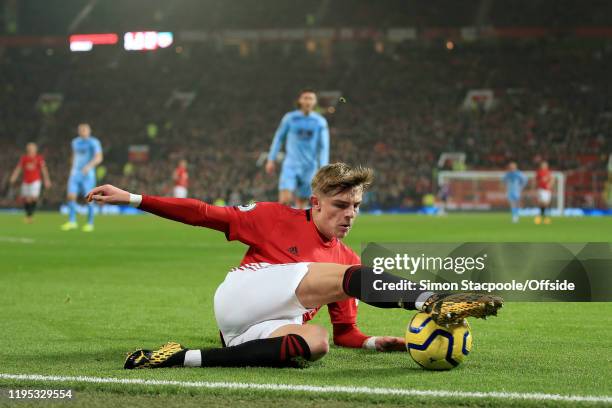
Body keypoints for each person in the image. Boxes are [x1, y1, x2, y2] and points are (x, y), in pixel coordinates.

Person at [87, 163, 502, 369]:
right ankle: (432, 299)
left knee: (316, 341)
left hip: (249, 334)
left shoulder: (348, 262)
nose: (350, 215)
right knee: (344, 279)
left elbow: (346, 335)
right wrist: (133, 199)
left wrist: (379, 342)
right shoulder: (272, 217)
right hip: (241, 296)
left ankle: (181, 358)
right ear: (315, 202)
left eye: (356, 206)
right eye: (341, 205)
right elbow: (203, 212)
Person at [265, 89, 329, 208]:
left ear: (315, 102)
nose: (308, 101)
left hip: (310, 167)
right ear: (300, 100)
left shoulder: (320, 121)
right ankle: (282, 226)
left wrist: (323, 167)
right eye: (305, 98)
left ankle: (296, 226)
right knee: (285, 200)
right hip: (291, 165)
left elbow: (324, 147)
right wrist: (271, 159)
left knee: (302, 204)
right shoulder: (290, 118)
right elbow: (279, 138)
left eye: (311, 98)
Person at [61, 123, 103, 232]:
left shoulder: (94, 142)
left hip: (88, 174)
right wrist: (72, 169)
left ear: (89, 131)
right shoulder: (75, 142)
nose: (83, 131)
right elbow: (74, 156)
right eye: (81, 130)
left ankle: (90, 223)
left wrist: (88, 167)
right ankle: (72, 221)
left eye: (85, 130)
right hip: (75, 173)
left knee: (88, 198)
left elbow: (99, 158)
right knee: (70, 196)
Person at [9, 143, 52, 223]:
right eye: (29, 148)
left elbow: (44, 169)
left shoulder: (39, 158)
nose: (31, 150)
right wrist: (14, 176)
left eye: (32, 148)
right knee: (27, 199)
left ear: (35, 149)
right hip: (26, 181)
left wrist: (47, 180)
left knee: (33, 197)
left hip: (36, 180)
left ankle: (30, 216)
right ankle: (28, 215)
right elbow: (18, 168)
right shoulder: (24, 158)